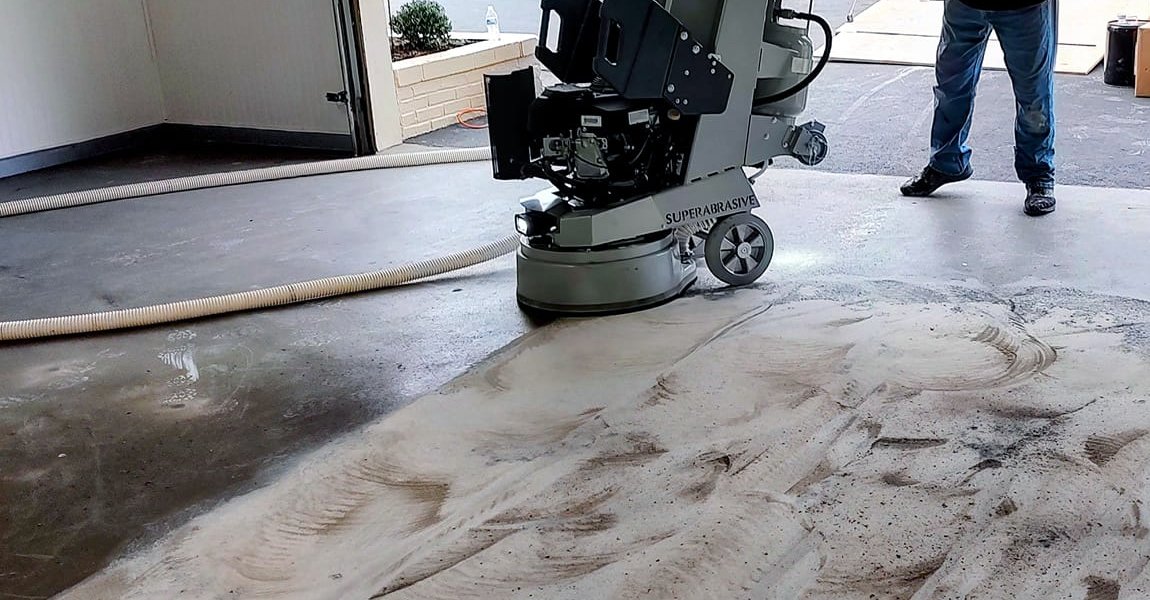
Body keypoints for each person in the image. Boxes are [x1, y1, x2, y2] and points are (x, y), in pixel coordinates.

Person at [900, 0, 1058, 216]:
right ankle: (946, 162)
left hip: (1026, 7)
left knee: (1033, 95)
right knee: (951, 85)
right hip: (964, 4)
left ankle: (1039, 176)